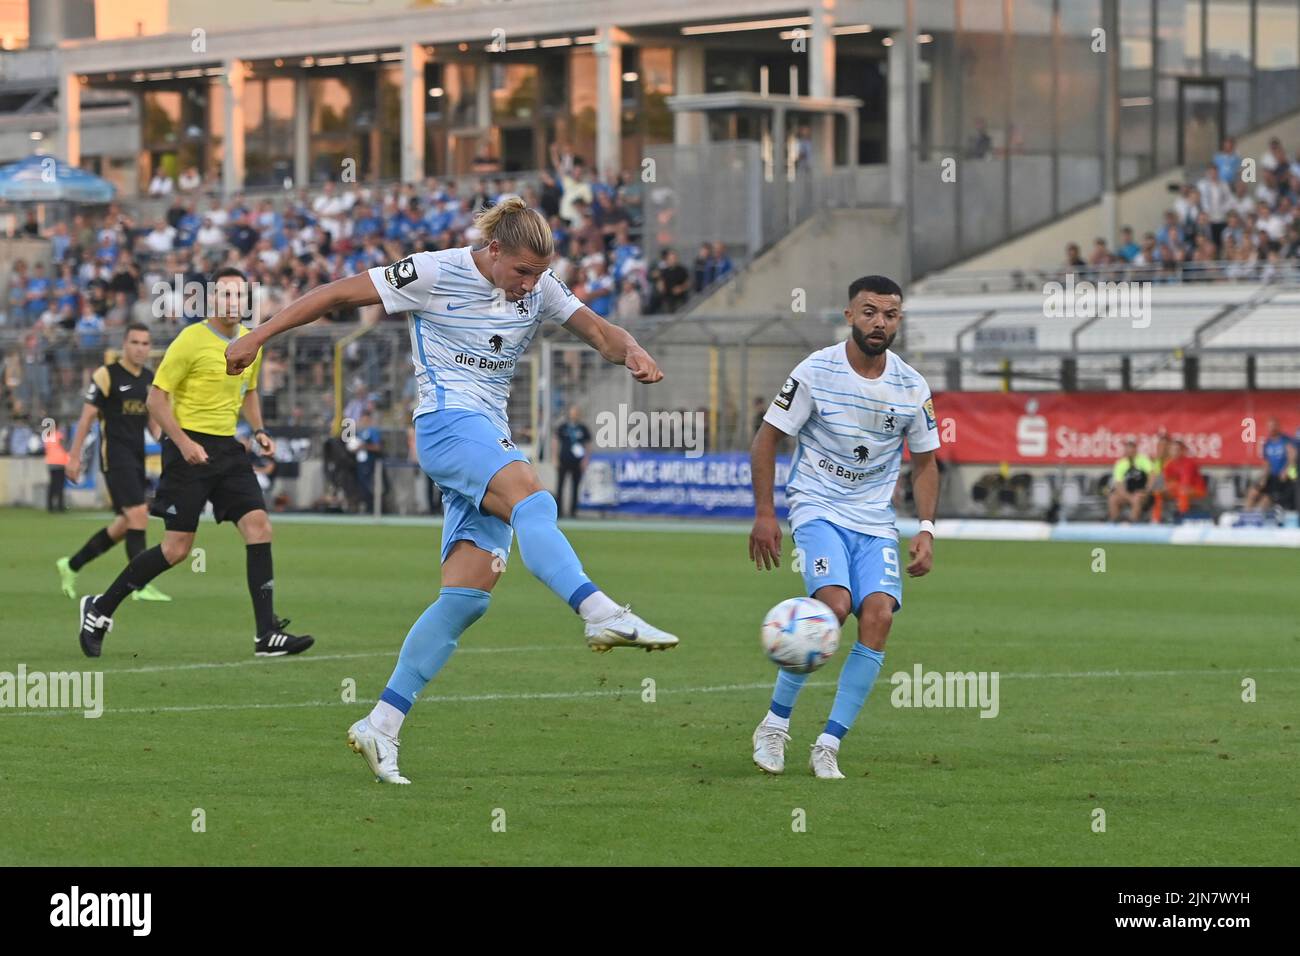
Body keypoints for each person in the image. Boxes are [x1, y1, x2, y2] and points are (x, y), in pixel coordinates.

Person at [224, 197, 679, 785]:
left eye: (539, 273)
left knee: (467, 598)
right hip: (446, 425)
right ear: (493, 252)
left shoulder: (539, 286)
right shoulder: (434, 272)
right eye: (521, 271)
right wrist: (258, 336)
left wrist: (632, 351)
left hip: (486, 433)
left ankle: (380, 724)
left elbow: (598, 332)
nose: (530, 285)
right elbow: (336, 294)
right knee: (535, 500)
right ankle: (599, 612)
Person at [748, 275, 940, 779]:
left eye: (890, 314)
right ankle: (774, 725)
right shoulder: (816, 370)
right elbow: (766, 440)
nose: (880, 322)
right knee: (833, 607)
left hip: (875, 520)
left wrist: (925, 528)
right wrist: (765, 514)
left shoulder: (911, 386)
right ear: (850, 315)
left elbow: (926, 462)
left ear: (899, 320)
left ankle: (828, 743)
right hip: (817, 506)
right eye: (870, 311)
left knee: (878, 616)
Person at [75, 268, 312, 659]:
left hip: (228, 450)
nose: (234, 303)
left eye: (240, 297)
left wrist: (258, 430)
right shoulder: (190, 340)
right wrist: (183, 442)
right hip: (187, 450)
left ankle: (266, 633)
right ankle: (99, 609)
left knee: (259, 527)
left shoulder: (253, 341)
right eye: (226, 296)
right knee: (176, 549)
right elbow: (156, 399)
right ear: (213, 301)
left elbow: (249, 391)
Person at [57, 323, 170, 602]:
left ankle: (71, 565)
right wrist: (73, 456)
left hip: (136, 457)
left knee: (125, 524)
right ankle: (140, 586)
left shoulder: (149, 379)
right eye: (135, 342)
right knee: (139, 515)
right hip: (114, 457)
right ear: (124, 344)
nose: (141, 348)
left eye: (145, 343)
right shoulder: (106, 375)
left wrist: (171, 447)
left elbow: (153, 423)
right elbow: (86, 418)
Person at [1245, 418, 1295, 510]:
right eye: (1269, 427)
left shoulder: (1286, 441)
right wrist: (1263, 478)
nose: (1271, 429)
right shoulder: (1267, 444)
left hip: (1282, 478)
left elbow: (1292, 457)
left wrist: (1286, 470)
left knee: (1266, 499)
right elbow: (1266, 463)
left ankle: (1258, 517)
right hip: (1270, 477)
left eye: (1273, 426)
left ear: (1278, 427)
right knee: (1253, 492)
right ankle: (1245, 516)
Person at [553, 405, 591, 519]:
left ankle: (573, 511)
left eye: (576, 412)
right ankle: (559, 511)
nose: (574, 415)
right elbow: (555, 442)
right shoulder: (563, 427)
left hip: (577, 462)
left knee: (575, 486)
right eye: (572, 412)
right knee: (560, 486)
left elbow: (588, 445)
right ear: (569, 413)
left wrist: (585, 459)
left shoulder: (583, 428)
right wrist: (555, 458)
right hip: (563, 460)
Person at [1153, 440, 1206, 521]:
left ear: (1182, 451)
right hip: (1177, 489)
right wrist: (1165, 489)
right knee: (1158, 493)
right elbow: (1167, 482)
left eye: (1177, 450)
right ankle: (1156, 520)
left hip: (1196, 490)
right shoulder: (1169, 464)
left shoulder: (1189, 464)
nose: (1174, 452)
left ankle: (1182, 518)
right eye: (1172, 450)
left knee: (1182, 492)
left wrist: (1171, 486)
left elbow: (1185, 484)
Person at [1107, 439, 1154, 523]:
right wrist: (1129, 497)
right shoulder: (1120, 464)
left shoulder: (1143, 460)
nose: (1130, 452)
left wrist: (1147, 489)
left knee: (1137, 498)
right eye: (1128, 449)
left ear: (1135, 450)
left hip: (1142, 493)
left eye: (1132, 449)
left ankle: (1132, 524)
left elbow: (1152, 475)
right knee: (1113, 498)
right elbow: (1118, 484)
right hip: (1127, 494)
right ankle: (1115, 523)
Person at [43, 418, 70, 513]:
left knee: (52, 485)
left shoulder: (48, 435)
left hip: (50, 463)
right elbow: (65, 447)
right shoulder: (59, 435)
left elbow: (46, 449)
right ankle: (60, 506)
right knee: (60, 485)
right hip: (60, 462)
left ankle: (50, 506)